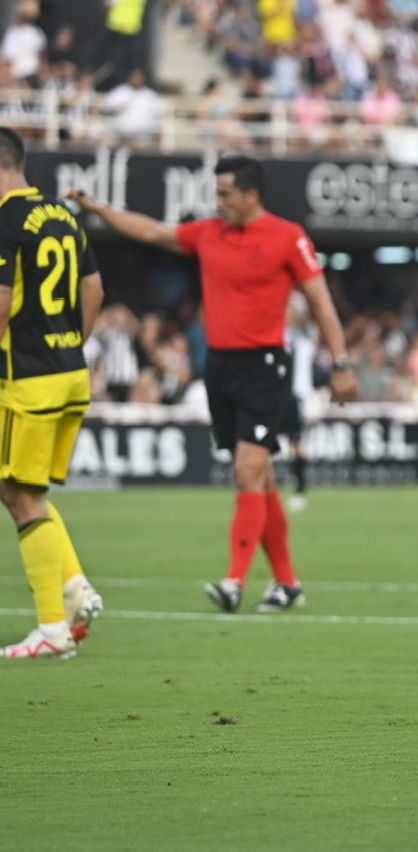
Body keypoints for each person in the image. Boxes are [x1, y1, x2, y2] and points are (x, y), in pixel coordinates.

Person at [68, 156, 357, 614]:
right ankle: (287, 584)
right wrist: (98, 210)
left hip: (265, 365)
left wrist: (340, 362)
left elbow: (321, 303)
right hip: (220, 368)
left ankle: (233, 581)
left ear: (250, 194)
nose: (216, 201)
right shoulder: (208, 234)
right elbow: (151, 231)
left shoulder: (287, 237)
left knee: (246, 471)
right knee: (258, 476)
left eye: (224, 193)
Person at [0, 127, 105, 658]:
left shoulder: (5, 220)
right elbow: (94, 289)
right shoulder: (63, 215)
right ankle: (72, 586)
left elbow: (0, 303)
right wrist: (69, 342)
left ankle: (51, 630)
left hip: (28, 380)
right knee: (22, 489)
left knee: (21, 495)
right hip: (70, 371)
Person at [282, 292, 315, 512]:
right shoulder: (278, 335)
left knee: (296, 443)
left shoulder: (306, 336)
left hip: (297, 394)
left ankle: (299, 489)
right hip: (275, 393)